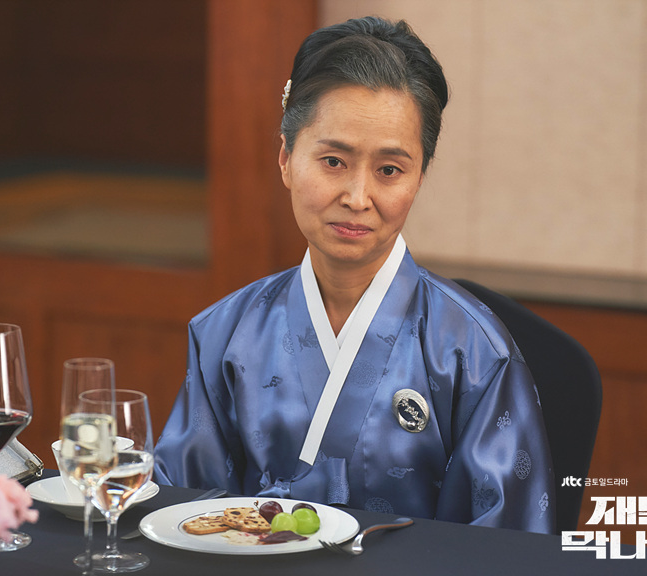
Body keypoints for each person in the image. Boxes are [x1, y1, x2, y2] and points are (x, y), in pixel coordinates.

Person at [154, 16, 555, 533]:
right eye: (333, 161)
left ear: (419, 177)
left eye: (389, 170)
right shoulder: (223, 333)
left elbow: (508, 544)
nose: (358, 197)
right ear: (286, 158)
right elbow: (183, 512)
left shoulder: (473, 351)